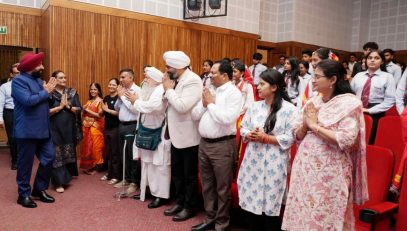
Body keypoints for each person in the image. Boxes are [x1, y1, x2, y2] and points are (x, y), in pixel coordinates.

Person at [282, 59, 368, 230]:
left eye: (317, 77)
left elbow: (346, 139)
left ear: (333, 80)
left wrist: (315, 126)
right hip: (305, 169)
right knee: (302, 211)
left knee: (325, 214)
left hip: (330, 172)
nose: (312, 80)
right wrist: (306, 126)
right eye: (313, 76)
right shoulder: (312, 102)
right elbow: (296, 135)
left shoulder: (349, 104)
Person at [237, 69, 297, 230]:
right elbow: (243, 127)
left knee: (271, 201)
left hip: (275, 161)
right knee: (251, 197)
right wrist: (250, 134)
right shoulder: (254, 107)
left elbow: (291, 137)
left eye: (262, 84)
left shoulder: (289, 109)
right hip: (253, 160)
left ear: (274, 87)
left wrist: (267, 138)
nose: (258, 87)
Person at [191, 61, 242, 231]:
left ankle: (222, 223)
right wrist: (206, 104)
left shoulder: (234, 93)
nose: (210, 75)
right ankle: (209, 218)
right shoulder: (210, 90)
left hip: (222, 145)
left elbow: (227, 118)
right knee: (207, 185)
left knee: (222, 187)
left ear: (225, 76)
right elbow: (194, 115)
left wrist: (211, 104)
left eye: (213, 72)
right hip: (204, 144)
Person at [12, 52, 57, 208]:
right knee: (25, 165)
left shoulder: (39, 81)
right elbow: (28, 101)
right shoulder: (18, 82)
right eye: (39, 64)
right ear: (31, 67)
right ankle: (23, 194)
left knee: (49, 157)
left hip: (44, 130)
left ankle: (39, 189)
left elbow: (46, 101)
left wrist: (48, 93)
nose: (42, 67)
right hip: (27, 131)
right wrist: (46, 91)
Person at [162, 51, 202, 222]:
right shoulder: (176, 80)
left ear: (178, 67)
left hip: (188, 136)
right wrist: (167, 91)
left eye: (168, 66)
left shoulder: (193, 80)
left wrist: (169, 90)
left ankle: (189, 206)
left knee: (189, 175)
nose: (166, 69)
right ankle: (179, 202)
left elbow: (182, 106)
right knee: (177, 173)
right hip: (175, 134)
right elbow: (168, 103)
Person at [128, 67, 171, 209]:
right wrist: (133, 101)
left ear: (154, 79)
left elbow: (153, 107)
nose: (145, 80)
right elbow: (139, 108)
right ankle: (147, 191)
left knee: (159, 166)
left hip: (158, 134)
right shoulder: (148, 90)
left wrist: (136, 101)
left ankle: (161, 196)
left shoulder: (159, 89)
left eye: (147, 78)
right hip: (146, 132)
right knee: (147, 164)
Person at [351, 50, 396, 144]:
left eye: (376, 58)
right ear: (366, 60)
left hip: (376, 112)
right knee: (354, 138)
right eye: (370, 58)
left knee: (369, 140)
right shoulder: (358, 76)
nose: (372, 60)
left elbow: (390, 100)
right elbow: (350, 94)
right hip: (357, 110)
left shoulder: (388, 77)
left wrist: (369, 110)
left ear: (382, 61)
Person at [48, 70, 82, 193]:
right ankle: (58, 182)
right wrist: (60, 108)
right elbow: (45, 111)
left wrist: (68, 106)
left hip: (69, 127)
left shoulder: (71, 93)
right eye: (61, 77)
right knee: (56, 154)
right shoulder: (49, 93)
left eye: (65, 77)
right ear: (54, 79)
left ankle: (66, 176)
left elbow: (79, 109)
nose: (64, 80)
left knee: (67, 152)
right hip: (54, 128)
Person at [114, 68, 142, 196]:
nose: (121, 80)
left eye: (123, 77)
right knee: (123, 153)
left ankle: (134, 182)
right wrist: (120, 98)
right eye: (120, 77)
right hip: (121, 125)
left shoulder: (137, 91)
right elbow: (117, 108)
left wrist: (122, 97)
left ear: (131, 77)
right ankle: (126, 178)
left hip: (131, 125)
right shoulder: (122, 91)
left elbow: (135, 109)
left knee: (132, 155)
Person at [80, 82, 105, 174]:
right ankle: (90, 165)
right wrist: (83, 110)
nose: (93, 91)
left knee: (96, 147)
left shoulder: (100, 101)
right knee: (88, 146)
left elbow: (99, 115)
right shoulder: (89, 101)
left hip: (96, 127)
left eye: (95, 89)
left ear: (98, 90)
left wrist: (87, 110)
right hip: (87, 126)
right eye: (91, 89)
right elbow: (83, 115)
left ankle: (98, 166)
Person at [101, 78, 121, 185]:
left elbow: (119, 113)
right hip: (107, 127)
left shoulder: (119, 98)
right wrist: (101, 110)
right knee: (108, 152)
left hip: (116, 128)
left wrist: (107, 110)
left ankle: (116, 176)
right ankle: (109, 173)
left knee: (115, 153)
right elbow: (102, 112)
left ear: (117, 86)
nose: (111, 86)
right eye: (109, 84)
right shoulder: (106, 98)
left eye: (113, 85)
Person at [0, 63, 19, 170]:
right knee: (12, 138)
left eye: (21, 73)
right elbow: (0, 103)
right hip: (10, 112)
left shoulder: (27, 85)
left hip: (24, 113)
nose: (19, 75)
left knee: (23, 136)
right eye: (16, 73)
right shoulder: (4, 87)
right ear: (11, 74)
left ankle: (22, 158)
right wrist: (0, 118)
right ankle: (15, 160)